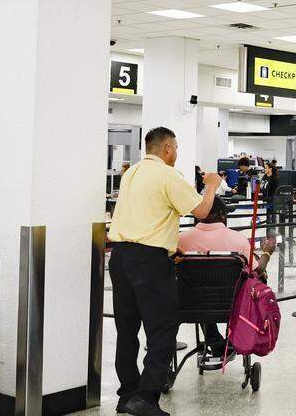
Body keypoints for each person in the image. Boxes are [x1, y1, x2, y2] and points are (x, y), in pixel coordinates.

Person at [108, 127, 220, 416]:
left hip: (120, 257)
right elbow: (202, 211)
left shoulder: (131, 173)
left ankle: (128, 394)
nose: (177, 153)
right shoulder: (168, 175)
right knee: (162, 328)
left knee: (127, 329)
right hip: (149, 261)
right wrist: (211, 185)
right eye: (177, 148)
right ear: (168, 148)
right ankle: (146, 396)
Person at [177, 196, 276, 366]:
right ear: (222, 215)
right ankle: (227, 341)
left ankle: (215, 342)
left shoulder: (181, 240)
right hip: (233, 304)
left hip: (190, 305)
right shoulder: (238, 240)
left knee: (202, 291)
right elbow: (256, 271)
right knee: (221, 290)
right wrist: (267, 252)